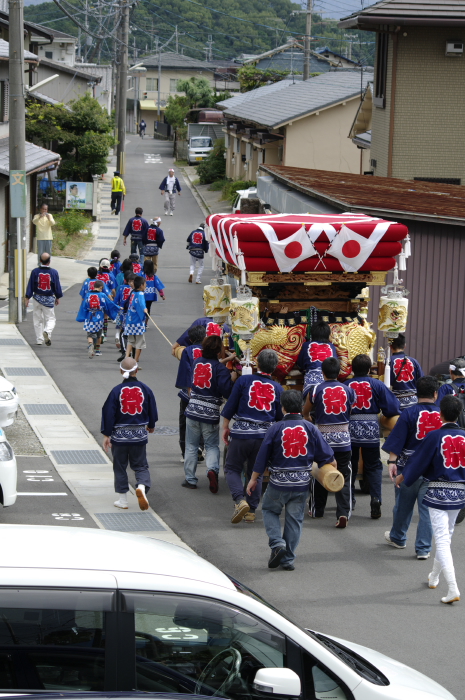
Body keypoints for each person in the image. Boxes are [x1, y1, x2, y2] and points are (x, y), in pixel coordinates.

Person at [247, 390, 335, 570]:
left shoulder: (275, 428)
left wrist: (253, 479)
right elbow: (327, 457)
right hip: (301, 484)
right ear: (302, 407)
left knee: (269, 510)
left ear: (283, 407)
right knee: (294, 520)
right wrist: (332, 466)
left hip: (278, 483)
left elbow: (262, 458)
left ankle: (277, 544)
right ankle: (288, 560)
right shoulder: (311, 428)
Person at [397, 395, 465, 604]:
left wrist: (403, 476)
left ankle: (453, 587)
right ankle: (434, 577)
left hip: (437, 491)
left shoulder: (434, 436)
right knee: (448, 535)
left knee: (443, 540)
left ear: (441, 414)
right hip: (460, 493)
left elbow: (419, 461)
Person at [382, 376, 441, 559]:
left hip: (408, 467)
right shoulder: (442, 414)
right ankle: (423, 548)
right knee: (427, 510)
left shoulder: (408, 413)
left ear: (416, 393)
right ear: (435, 394)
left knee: (403, 506)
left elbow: (397, 438)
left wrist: (392, 462)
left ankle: (398, 538)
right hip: (433, 469)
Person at [222, 350, 283, 524]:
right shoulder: (278, 388)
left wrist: (226, 426)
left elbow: (231, 405)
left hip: (242, 433)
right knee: (255, 473)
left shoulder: (243, 380)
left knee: (232, 468)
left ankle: (239, 500)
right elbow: (279, 417)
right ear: (275, 367)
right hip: (264, 436)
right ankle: (251, 510)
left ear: (257, 363)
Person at [345, 354, 400, 518]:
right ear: (369, 369)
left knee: (350, 464)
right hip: (370, 427)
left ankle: (349, 500)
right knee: (374, 465)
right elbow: (392, 408)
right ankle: (376, 499)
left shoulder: (345, 385)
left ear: (352, 369)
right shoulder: (377, 384)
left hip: (350, 428)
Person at [304, 356, 355, 528]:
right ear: (339, 372)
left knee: (318, 472)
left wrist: (308, 418)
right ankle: (343, 513)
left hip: (322, 440)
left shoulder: (316, 389)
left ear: (322, 372)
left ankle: (317, 509)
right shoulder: (348, 389)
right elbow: (351, 409)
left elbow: (306, 410)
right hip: (343, 440)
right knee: (344, 475)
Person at [101, 357, 157, 511]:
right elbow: (152, 409)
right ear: (136, 370)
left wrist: (107, 434)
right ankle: (141, 487)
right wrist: (151, 425)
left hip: (119, 436)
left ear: (121, 371)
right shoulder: (145, 389)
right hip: (139, 435)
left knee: (119, 466)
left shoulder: (116, 391)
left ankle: (123, 500)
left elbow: (108, 413)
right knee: (140, 465)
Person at [183, 335, 236, 491]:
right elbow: (226, 391)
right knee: (212, 446)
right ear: (219, 351)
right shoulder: (220, 369)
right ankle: (212, 469)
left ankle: (190, 479)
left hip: (192, 409)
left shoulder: (197, 363)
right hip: (210, 413)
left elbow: (212, 365)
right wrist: (231, 379)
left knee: (191, 445)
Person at [175, 325, 206, 461]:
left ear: (191, 339)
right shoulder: (208, 351)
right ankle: (200, 447)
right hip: (206, 392)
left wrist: (188, 390)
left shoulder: (188, 351)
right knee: (203, 421)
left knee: (185, 421)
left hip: (190, 392)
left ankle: (185, 452)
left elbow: (185, 371)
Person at [25, 253, 63, 346]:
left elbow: (30, 285)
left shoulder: (35, 271)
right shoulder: (54, 272)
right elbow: (57, 286)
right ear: (49, 261)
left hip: (37, 297)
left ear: (40, 261)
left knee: (37, 319)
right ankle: (47, 331)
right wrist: (58, 297)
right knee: (50, 319)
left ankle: (39, 339)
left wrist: (27, 297)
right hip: (49, 298)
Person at [76, 279, 121, 358]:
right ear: (100, 287)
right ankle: (97, 350)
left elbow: (84, 306)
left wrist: (82, 316)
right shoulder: (102, 295)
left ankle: (90, 345)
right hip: (99, 317)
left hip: (90, 317)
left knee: (90, 334)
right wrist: (118, 308)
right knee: (99, 334)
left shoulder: (88, 295)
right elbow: (109, 304)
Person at [296, 321, 338, 400]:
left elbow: (300, 364)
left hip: (311, 387)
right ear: (328, 334)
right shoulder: (332, 346)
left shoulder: (306, 345)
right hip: (330, 385)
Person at [390, 333, 423, 411]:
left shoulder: (387, 361)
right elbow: (421, 381)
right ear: (405, 345)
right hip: (413, 403)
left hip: (395, 404)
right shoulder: (414, 362)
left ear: (391, 346)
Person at [124, 276, 147, 363]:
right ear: (141, 285)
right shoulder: (140, 294)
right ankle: (135, 362)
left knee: (130, 341)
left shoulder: (133, 292)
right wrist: (145, 309)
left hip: (130, 321)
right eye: (145, 284)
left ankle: (126, 358)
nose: (146, 285)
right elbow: (141, 304)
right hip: (138, 322)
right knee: (139, 344)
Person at [114, 271, 135, 355]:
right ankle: (129, 351)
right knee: (130, 333)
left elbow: (116, 300)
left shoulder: (122, 288)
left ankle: (122, 346)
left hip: (121, 311)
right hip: (131, 314)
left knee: (121, 329)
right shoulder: (136, 291)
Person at [143, 259, 165, 323]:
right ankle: (146, 322)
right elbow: (158, 286)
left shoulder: (142, 275)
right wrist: (162, 295)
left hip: (143, 295)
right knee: (148, 308)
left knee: (142, 307)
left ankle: (142, 321)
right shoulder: (154, 277)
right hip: (151, 295)